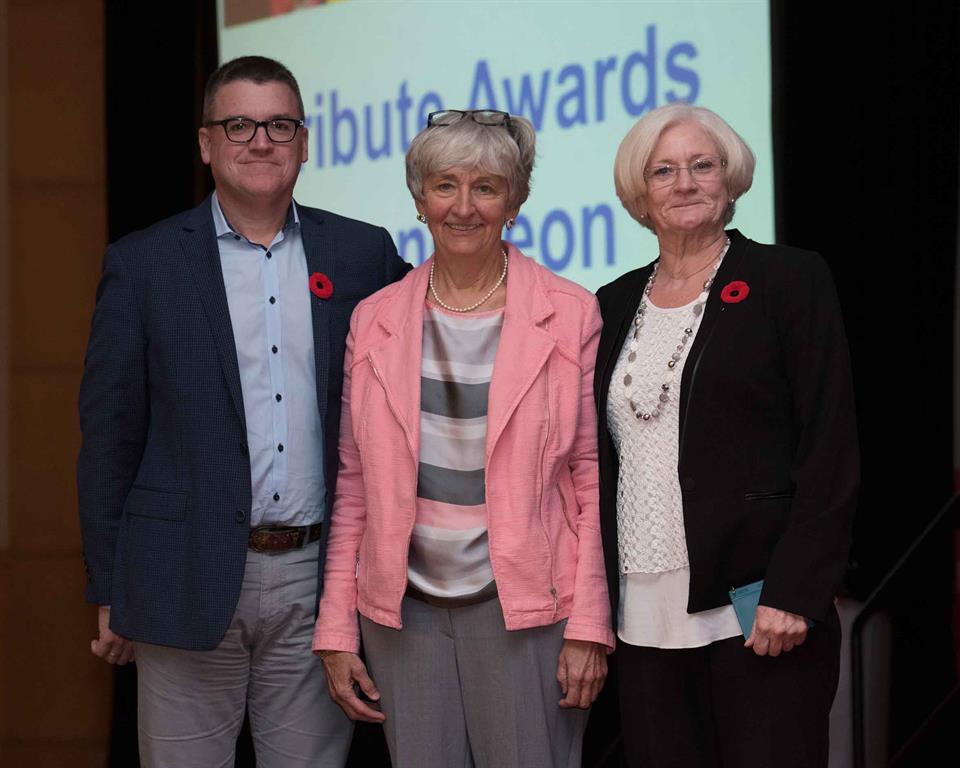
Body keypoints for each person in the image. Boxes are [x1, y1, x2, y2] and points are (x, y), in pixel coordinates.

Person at [77, 55, 408, 767]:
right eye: (239, 125)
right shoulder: (144, 266)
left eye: (279, 125)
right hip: (182, 574)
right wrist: (109, 587)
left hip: (319, 583)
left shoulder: (363, 253)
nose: (261, 140)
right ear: (205, 144)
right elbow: (109, 438)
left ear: (306, 142)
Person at [312, 109, 614, 768]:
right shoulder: (375, 319)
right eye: (445, 185)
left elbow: (591, 479)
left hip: (528, 612)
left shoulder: (570, 312)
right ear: (420, 200)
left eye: (486, 186)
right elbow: (355, 486)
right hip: (403, 617)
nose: (464, 206)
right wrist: (336, 625)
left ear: (515, 200)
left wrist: (590, 625)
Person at [594, 102, 858, 767]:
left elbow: (829, 446)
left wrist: (796, 591)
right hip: (643, 616)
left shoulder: (789, 281)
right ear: (640, 194)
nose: (684, 183)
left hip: (758, 609)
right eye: (664, 171)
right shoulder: (611, 302)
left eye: (701, 165)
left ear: (730, 179)